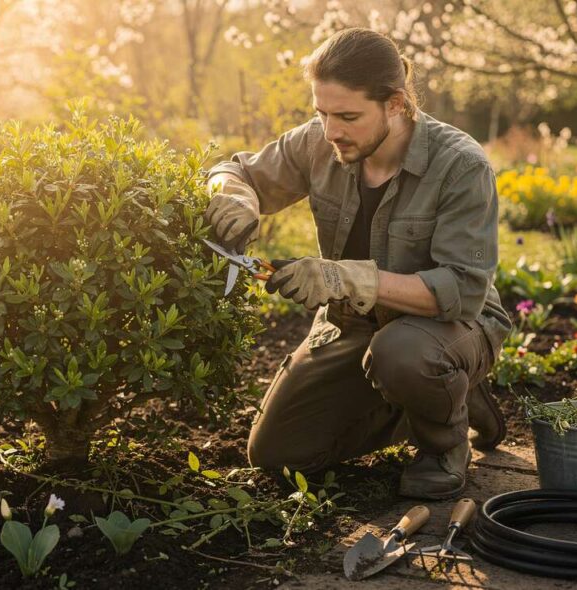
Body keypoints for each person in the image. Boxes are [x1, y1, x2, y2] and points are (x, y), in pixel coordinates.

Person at [204, 27, 512, 500]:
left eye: (347, 116)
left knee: (404, 355)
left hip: (449, 326)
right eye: (321, 113)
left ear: (395, 103)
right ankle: (442, 399)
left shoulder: (460, 165)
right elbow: (237, 170)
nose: (331, 131)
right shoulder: (319, 143)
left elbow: (462, 291)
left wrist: (343, 276)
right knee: (276, 452)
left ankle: (443, 445)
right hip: (353, 325)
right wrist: (237, 198)